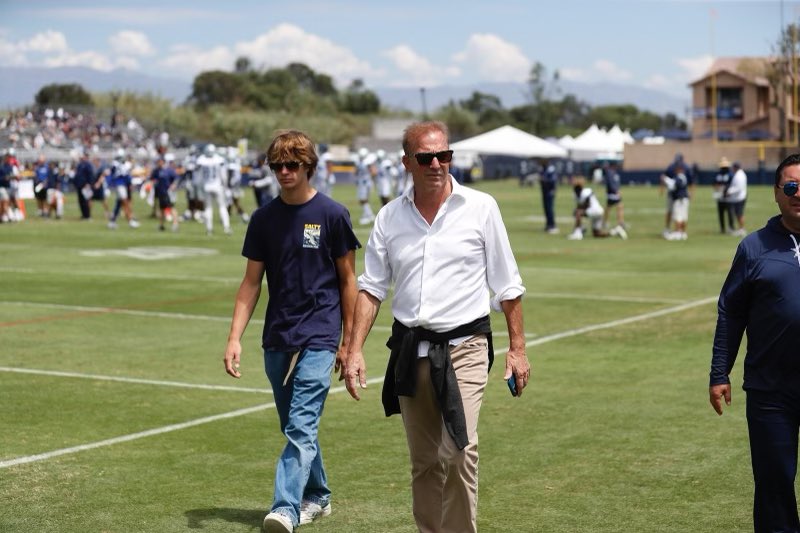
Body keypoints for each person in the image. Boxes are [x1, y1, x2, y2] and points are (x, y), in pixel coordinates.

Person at [343, 120, 531, 533]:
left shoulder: (481, 207)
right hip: (410, 351)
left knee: (460, 452)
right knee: (424, 461)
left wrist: (517, 349)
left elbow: (508, 284)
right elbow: (372, 288)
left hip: (465, 347)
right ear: (407, 162)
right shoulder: (390, 217)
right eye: (426, 157)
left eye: (444, 155)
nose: (436, 164)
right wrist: (354, 349)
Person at [223, 129, 360, 533]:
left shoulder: (333, 215)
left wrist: (350, 344)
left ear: (308, 167)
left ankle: (285, 507)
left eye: (292, 165)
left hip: (320, 332)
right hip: (277, 335)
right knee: (294, 424)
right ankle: (318, 495)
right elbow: (251, 284)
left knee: (301, 423)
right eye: (277, 165)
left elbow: (348, 281)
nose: (284, 171)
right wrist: (234, 337)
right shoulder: (263, 219)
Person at [709, 153, 800, 533]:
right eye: (792, 187)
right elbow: (731, 312)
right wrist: (719, 372)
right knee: (774, 486)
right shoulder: (753, 248)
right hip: (771, 390)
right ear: (777, 193)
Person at [195, 143, 231, 235]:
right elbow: (223, 175)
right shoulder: (219, 159)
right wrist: (226, 186)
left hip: (206, 186)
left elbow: (198, 176)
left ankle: (209, 229)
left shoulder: (201, 160)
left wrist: (199, 187)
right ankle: (226, 227)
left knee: (208, 208)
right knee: (222, 207)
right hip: (217, 186)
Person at [662, 162, 694, 241]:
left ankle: (678, 232)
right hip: (684, 199)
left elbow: (673, 185)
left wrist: (665, 179)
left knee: (678, 217)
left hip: (679, 200)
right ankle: (683, 233)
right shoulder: (683, 177)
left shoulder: (679, 177)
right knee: (683, 217)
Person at [602, 161, 626, 232]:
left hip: (613, 193)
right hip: (612, 194)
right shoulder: (610, 173)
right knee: (618, 207)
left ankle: (605, 222)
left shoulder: (613, 172)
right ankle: (620, 223)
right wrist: (616, 190)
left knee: (609, 208)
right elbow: (610, 183)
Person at [725, 161, 748, 237]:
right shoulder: (739, 174)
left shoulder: (739, 176)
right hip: (738, 197)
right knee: (738, 214)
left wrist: (729, 191)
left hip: (739, 198)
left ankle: (742, 229)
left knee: (739, 214)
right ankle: (741, 228)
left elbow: (738, 188)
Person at [713, 157, 735, 234]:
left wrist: (727, 190)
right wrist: (717, 189)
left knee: (730, 213)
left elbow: (733, 184)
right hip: (720, 196)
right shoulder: (718, 174)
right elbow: (714, 183)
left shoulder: (731, 174)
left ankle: (731, 227)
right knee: (721, 213)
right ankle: (722, 229)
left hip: (728, 197)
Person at [540, 159, 559, 234]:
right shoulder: (543, 169)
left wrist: (544, 179)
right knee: (546, 208)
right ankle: (548, 224)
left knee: (549, 208)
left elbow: (553, 181)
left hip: (550, 192)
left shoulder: (551, 170)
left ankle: (552, 225)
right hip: (544, 191)